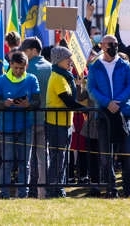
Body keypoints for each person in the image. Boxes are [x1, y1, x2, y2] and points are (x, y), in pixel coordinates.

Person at [88, 34, 130, 198]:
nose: (114, 46)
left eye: (116, 43)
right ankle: (111, 190)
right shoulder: (95, 66)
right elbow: (91, 89)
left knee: (129, 155)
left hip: (123, 114)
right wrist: (107, 103)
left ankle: (128, 191)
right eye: (110, 44)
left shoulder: (125, 65)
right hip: (104, 116)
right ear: (102, 45)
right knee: (105, 157)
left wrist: (117, 102)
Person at [0, 50, 40, 199]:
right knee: (7, 163)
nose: (18, 71)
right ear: (10, 65)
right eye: (15, 67)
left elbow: (38, 102)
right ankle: (4, 194)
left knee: (25, 163)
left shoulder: (32, 79)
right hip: (7, 128)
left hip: (26, 127)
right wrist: (4, 104)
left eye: (21, 68)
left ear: (26, 66)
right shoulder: (1, 80)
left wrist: (28, 105)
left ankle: (23, 194)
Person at [45, 45, 84, 198]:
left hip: (64, 122)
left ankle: (58, 188)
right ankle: (54, 189)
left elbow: (73, 99)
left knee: (62, 157)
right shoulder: (57, 77)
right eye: (67, 58)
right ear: (59, 60)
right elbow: (68, 101)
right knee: (58, 157)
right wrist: (85, 110)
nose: (70, 61)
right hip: (56, 123)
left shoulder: (64, 76)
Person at [20, 37, 50, 198]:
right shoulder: (51, 67)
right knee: (43, 157)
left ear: (32, 50)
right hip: (47, 119)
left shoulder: (25, 70)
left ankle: (25, 191)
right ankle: (43, 192)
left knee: (26, 158)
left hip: (27, 119)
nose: (23, 54)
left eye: (24, 51)